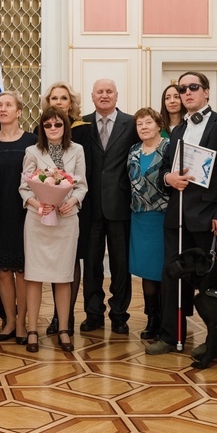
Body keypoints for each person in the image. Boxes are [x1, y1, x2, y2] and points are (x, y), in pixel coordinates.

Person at [145, 71, 217, 355]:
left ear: (206, 92)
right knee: (172, 277)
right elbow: (165, 168)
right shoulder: (176, 130)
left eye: (193, 87)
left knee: (214, 283)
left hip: (209, 217)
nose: (186, 93)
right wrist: (168, 179)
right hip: (177, 218)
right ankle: (170, 335)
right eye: (182, 89)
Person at [20, 106, 88, 352]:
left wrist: (73, 201)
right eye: (47, 125)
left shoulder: (77, 150)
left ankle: (63, 329)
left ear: (65, 126)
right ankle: (31, 330)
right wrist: (41, 205)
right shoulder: (32, 151)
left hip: (67, 219)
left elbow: (82, 185)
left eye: (57, 124)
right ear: (42, 128)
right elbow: (24, 188)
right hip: (38, 220)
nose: (52, 129)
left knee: (63, 276)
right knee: (34, 275)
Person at [79, 78, 139, 335]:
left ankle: (119, 314)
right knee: (91, 263)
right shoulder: (81, 124)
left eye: (109, 92)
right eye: (99, 92)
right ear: (92, 97)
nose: (104, 95)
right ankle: (93, 314)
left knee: (120, 263)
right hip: (90, 205)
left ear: (117, 95)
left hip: (121, 205)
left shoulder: (131, 123)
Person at [0, 91, 35, 343]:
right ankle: (10, 321)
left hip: (25, 212)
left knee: (22, 270)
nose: (3, 109)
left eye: (8, 105)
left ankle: (24, 323)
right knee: (3, 270)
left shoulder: (33, 141)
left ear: (19, 111)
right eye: (0, 105)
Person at [42, 82, 87, 335]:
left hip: (76, 206)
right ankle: (56, 316)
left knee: (72, 261)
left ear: (71, 103)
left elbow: (83, 176)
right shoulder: (44, 131)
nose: (59, 102)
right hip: (47, 209)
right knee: (51, 262)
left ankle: (66, 317)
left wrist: (76, 199)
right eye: (54, 98)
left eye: (63, 98)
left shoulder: (82, 134)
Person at [127, 107, 169, 340]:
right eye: (139, 124)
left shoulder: (169, 148)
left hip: (162, 218)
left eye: (148, 123)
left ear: (159, 125)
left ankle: (166, 320)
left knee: (162, 271)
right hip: (139, 217)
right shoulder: (134, 150)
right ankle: (151, 319)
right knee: (146, 272)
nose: (143, 127)